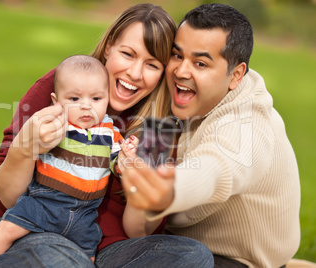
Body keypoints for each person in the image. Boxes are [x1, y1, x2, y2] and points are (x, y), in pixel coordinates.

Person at [0, 3, 213, 267]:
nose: (135, 73)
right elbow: (5, 198)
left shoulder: (157, 128)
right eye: (128, 54)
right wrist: (26, 148)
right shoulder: (65, 86)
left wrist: (136, 187)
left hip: (100, 249)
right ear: (109, 46)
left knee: (193, 257)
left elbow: (137, 233)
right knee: (62, 260)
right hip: (27, 229)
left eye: (152, 65)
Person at [121, 3, 301, 268]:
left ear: (236, 75)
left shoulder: (248, 123)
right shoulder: (171, 102)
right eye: (177, 55)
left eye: (201, 63)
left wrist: (170, 190)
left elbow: (217, 166)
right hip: (172, 244)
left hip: (235, 260)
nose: (181, 71)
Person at [0, 55, 128, 266]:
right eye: (74, 99)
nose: (86, 107)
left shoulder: (110, 133)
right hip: (45, 203)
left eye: (96, 99)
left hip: (84, 213)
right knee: (8, 227)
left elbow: (118, 159)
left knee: (88, 251)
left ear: (106, 99)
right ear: (56, 101)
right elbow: (34, 143)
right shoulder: (57, 125)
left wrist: (126, 160)